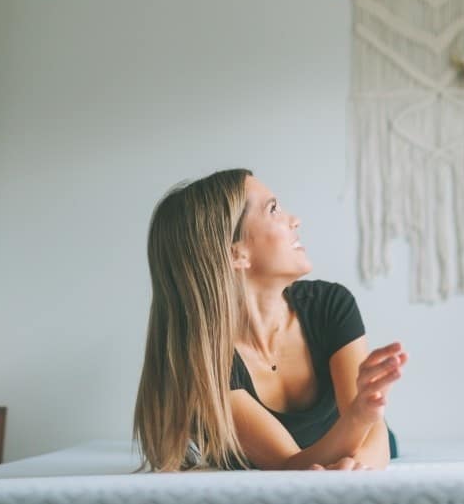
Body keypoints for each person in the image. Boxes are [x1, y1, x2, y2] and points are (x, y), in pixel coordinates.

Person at [134, 168, 407, 471]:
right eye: (273, 209)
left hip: (360, 452)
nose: (295, 220)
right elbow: (288, 466)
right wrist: (359, 417)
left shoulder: (330, 306)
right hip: (309, 464)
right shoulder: (208, 361)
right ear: (235, 254)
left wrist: (357, 462)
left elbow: (374, 436)